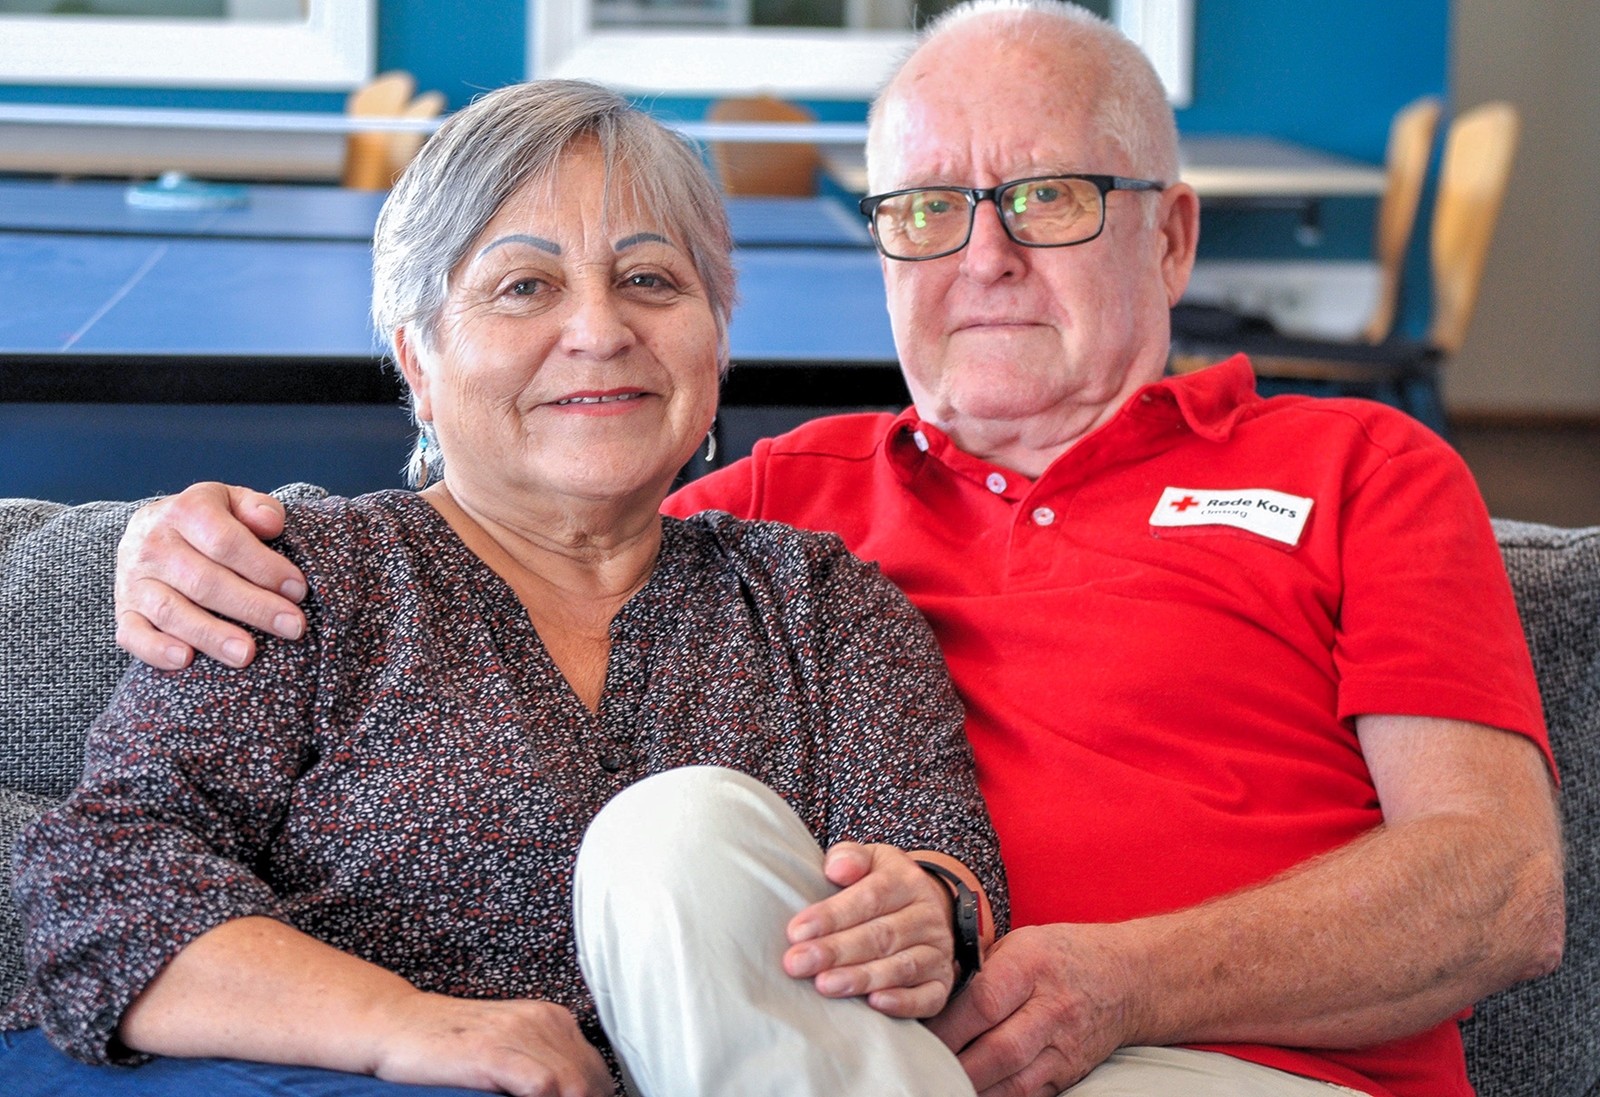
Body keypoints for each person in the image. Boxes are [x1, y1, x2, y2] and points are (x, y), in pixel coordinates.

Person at [105, 3, 1566, 1096]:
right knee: (673, 835)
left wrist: (1124, 980)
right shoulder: (772, 511)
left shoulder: (1359, 467)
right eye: (928, 210)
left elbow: (1499, 888)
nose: (983, 257)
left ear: (1171, 240)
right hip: (854, 1060)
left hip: (1229, 1070)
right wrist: (169, 545)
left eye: (1047, 198)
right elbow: (519, 512)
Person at [0, 80, 1011, 1097]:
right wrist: (410, 1028)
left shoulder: (820, 605)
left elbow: (946, 866)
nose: (600, 329)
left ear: (717, 339)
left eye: (652, 280)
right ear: (419, 362)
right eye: (524, 286)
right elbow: (101, 887)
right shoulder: (298, 575)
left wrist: (923, 911)